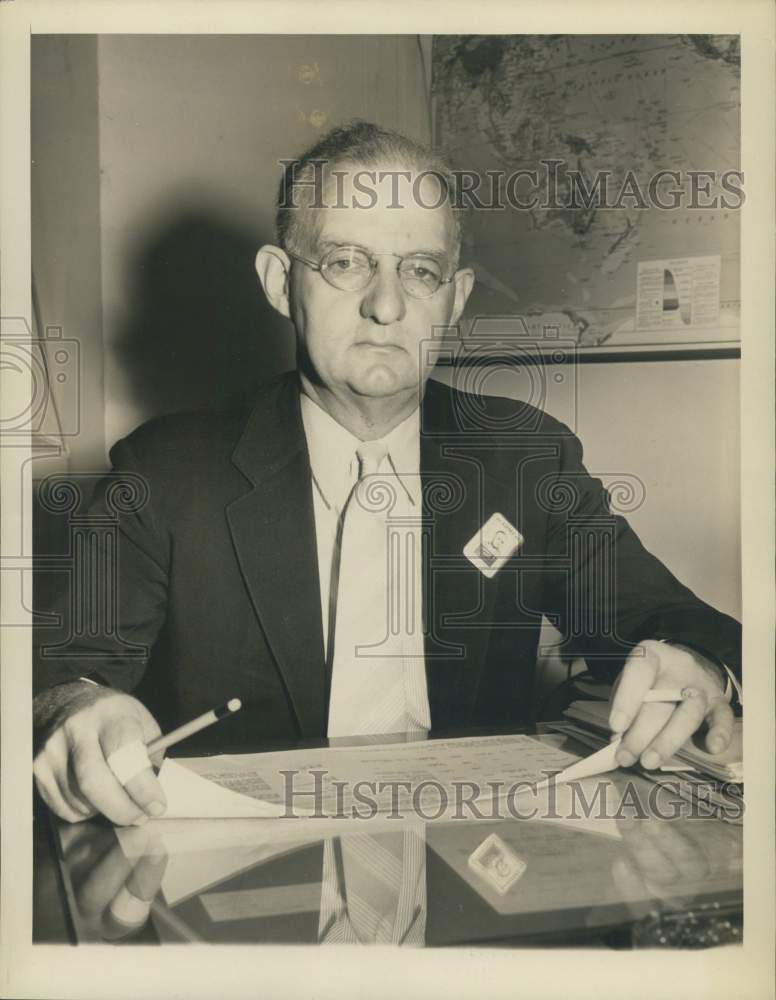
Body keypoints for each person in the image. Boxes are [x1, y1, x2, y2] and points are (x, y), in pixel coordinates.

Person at [32, 121, 741, 827]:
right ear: (281, 283)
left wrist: (699, 664)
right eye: (346, 261)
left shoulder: (524, 457)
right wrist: (77, 708)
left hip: (473, 866)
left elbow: (676, 621)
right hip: (247, 876)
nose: (387, 304)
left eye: (420, 271)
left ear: (454, 299)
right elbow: (54, 674)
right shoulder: (163, 473)